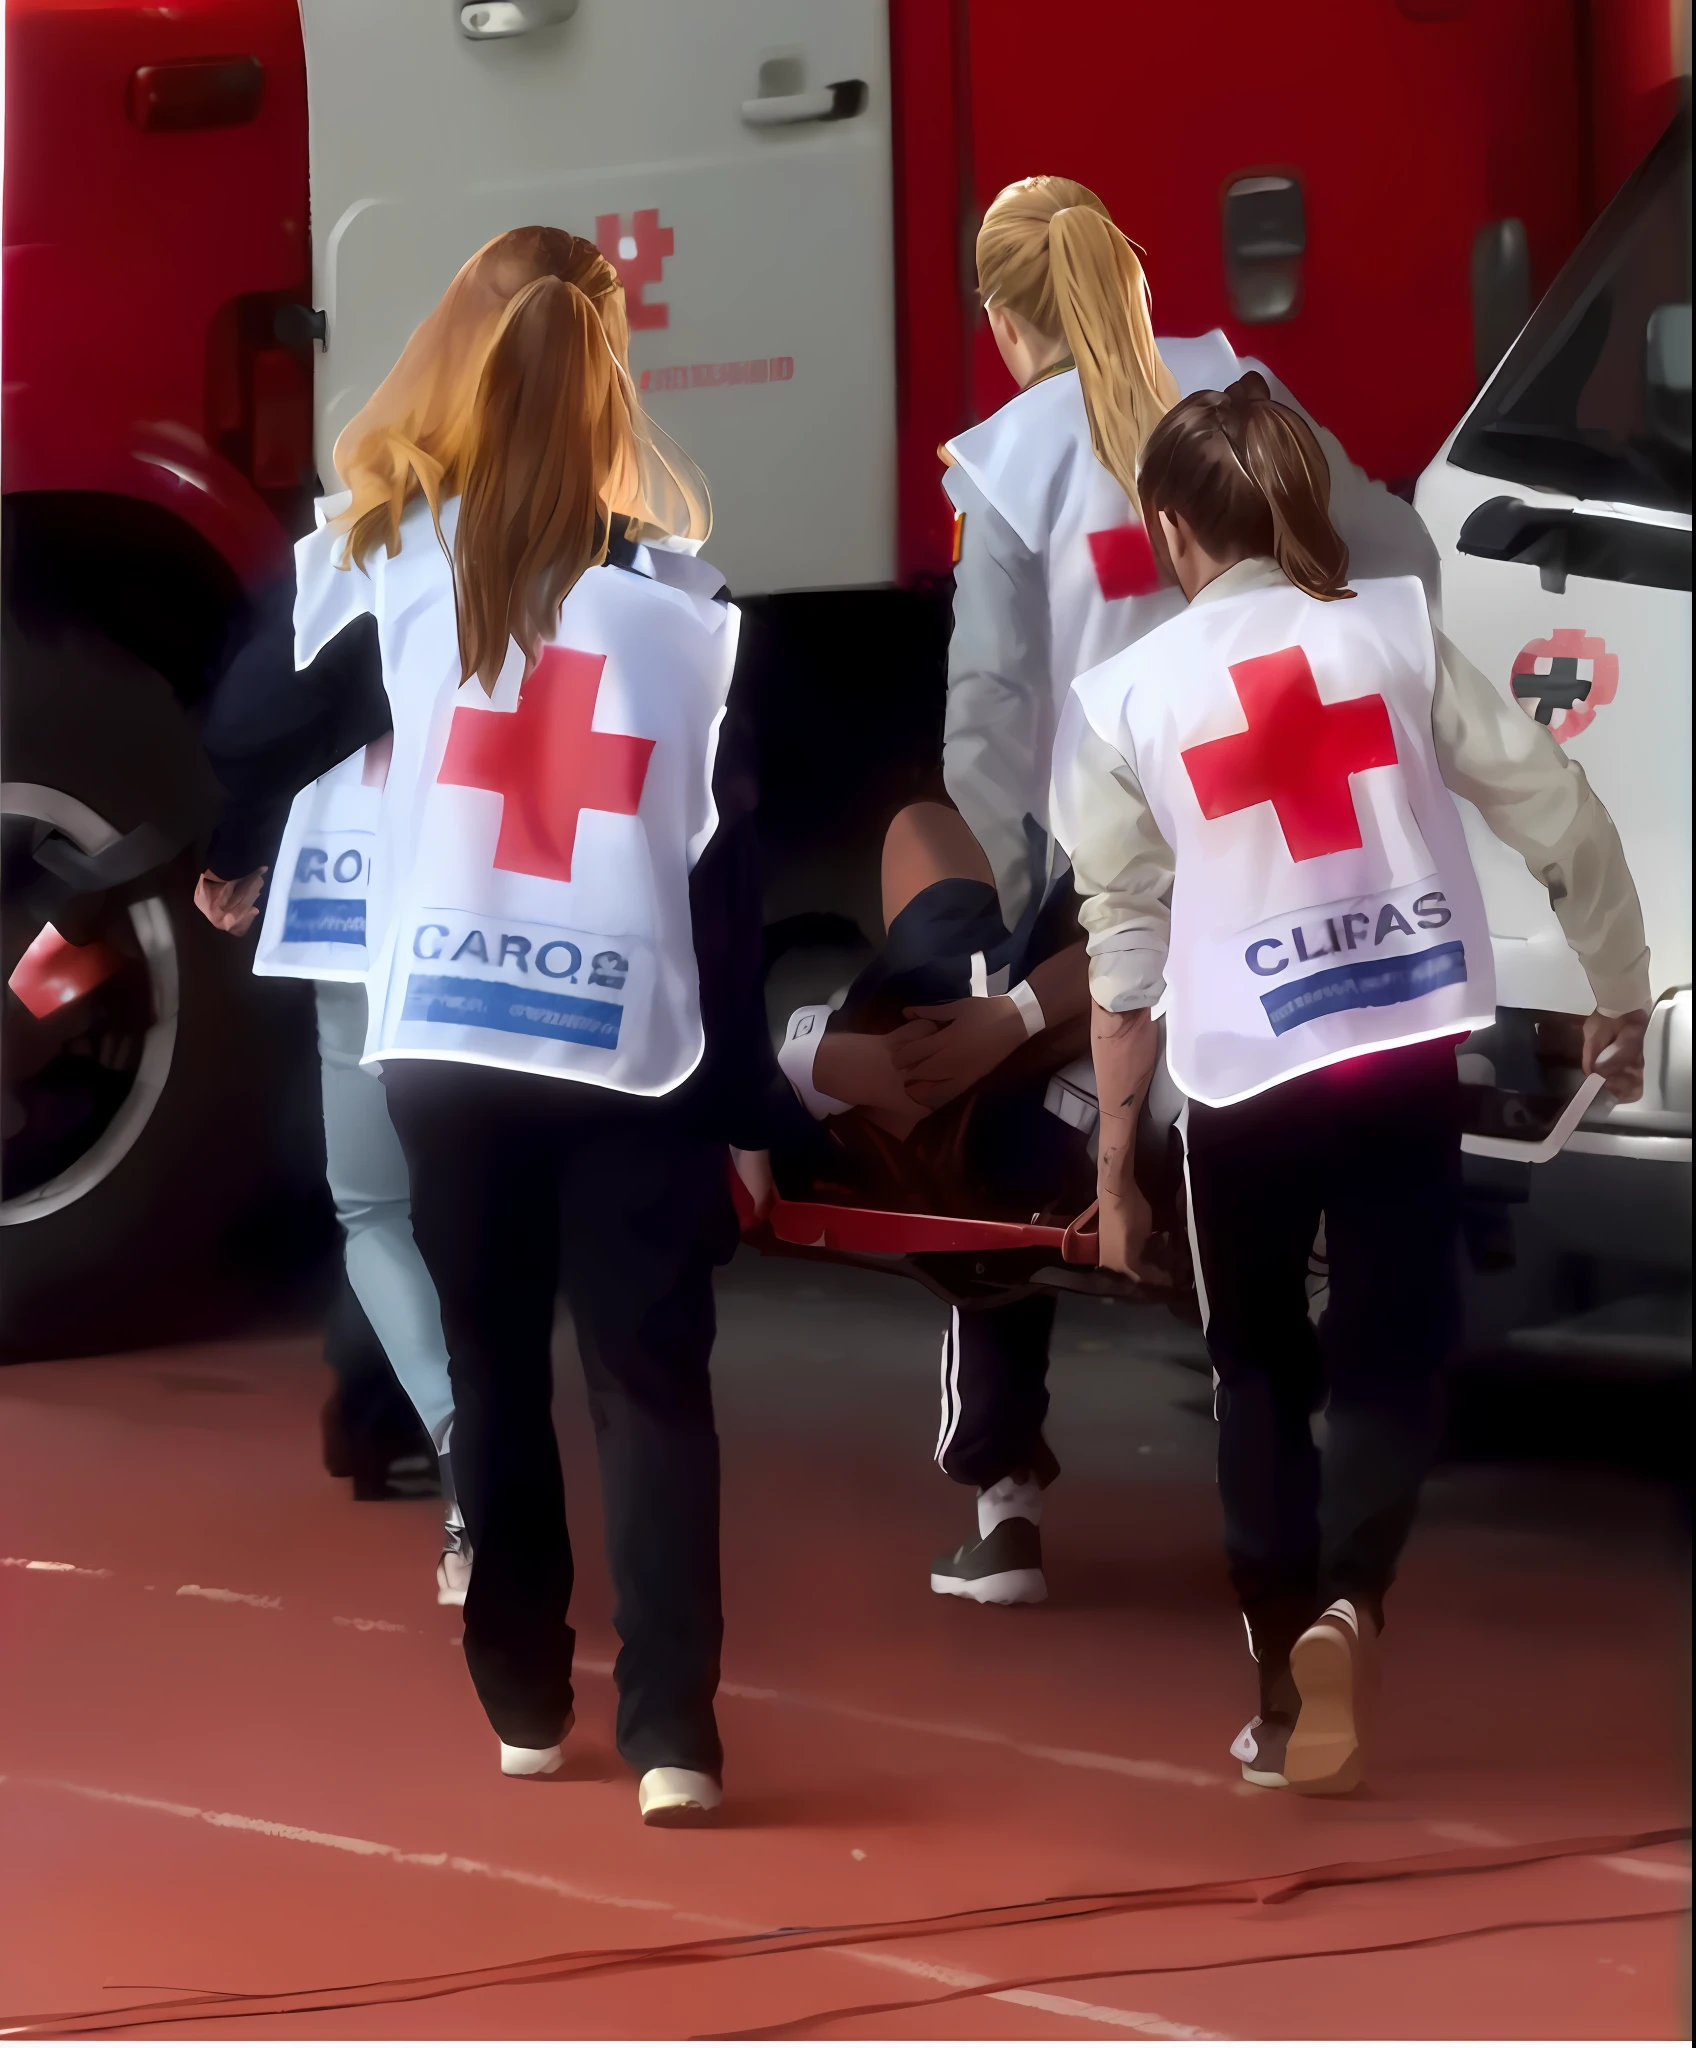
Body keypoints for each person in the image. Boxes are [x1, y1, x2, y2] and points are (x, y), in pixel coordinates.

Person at [1052, 372, 1651, 1793]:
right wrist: (1615, 986)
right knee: (1397, 1344)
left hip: (1241, 1071)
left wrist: (1114, 1168)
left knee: (1257, 1361)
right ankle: (1349, 1597)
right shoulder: (1390, 633)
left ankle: (1278, 1687)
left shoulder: (1129, 697)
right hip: (1395, 1042)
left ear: (1173, 532)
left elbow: (1122, 954)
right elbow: (1558, 811)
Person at [264, 228, 784, 1825]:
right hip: (629, 1044)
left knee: (492, 1364)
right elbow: (720, 873)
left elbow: (250, 729)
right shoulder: (683, 613)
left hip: (446, 1047)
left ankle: (517, 1692)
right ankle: (674, 1735)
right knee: (650, 1378)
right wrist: (748, 1105)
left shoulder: (405, 578)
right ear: (618, 393)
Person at [867, 173, 1441, 1609]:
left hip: (1111, 859)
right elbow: (1405, 557)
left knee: (967, 1103)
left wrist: (1010, 947)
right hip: (1288, 838)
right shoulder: (1240, 388)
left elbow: (990, 723)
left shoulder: (1007, 462)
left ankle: (1002, 1497)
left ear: (1004, 320)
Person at [193, 231, 633, 1606]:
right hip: (547, 900)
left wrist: (237, 850)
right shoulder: (620, 544)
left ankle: (470, 1458)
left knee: (376, 1202)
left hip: (373, 902)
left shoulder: (363, 536)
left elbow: (252, 723)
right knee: (520, 1207)